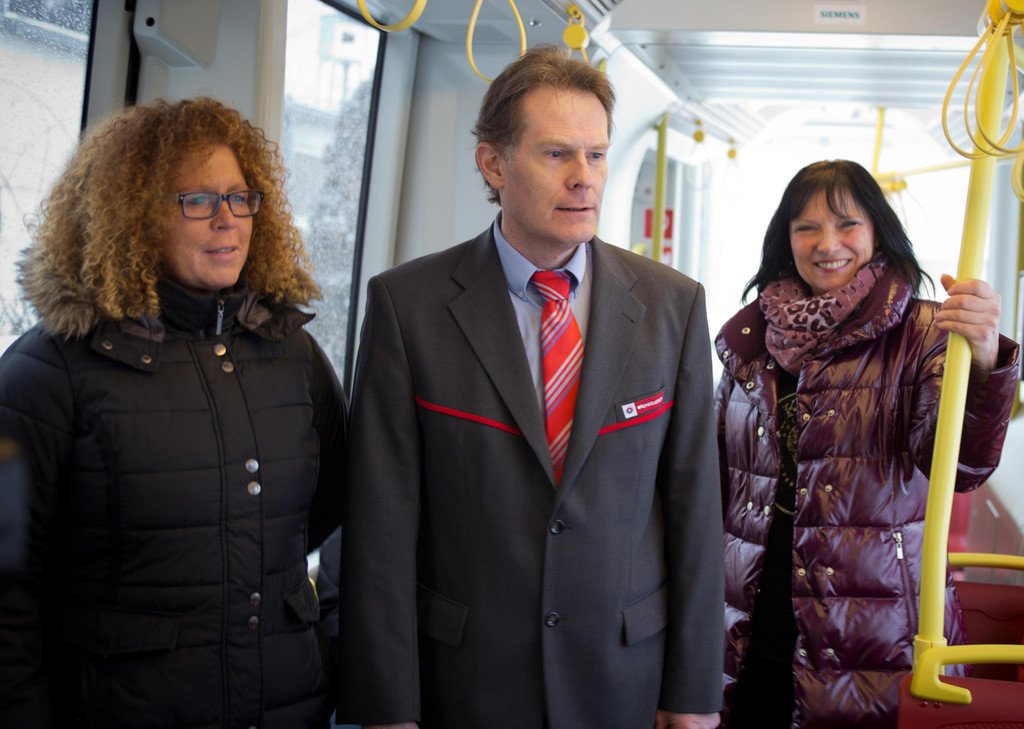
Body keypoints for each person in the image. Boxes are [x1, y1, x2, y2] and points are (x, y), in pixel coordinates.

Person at [337, 45, 723, 729]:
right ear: (493, 163)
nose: (584, 178)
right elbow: (380, 525)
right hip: (467, 679)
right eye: (556, 154)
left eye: (596, 155)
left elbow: (695, 508)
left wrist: (693, 693)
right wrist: (386, 707)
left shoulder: (674, 305)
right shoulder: (408, 307)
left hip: (623, 675)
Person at [0, 97, 346, 728]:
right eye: (198, 200)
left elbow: (327, 508)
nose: (227, 220)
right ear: (131, 216)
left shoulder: (291, 353)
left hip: (287, 707)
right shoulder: (47, 373)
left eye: (240, 198)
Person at [716, 159, 1019, 728]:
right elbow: (717, 480)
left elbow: (962, 467)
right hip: (752, 613)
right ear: (786, 240)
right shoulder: (750, 342)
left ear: (878, 232)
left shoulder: (927, 333)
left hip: (877, 623)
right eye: (807, 227)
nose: (827, 244)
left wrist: (982, 362)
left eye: (847, 224)